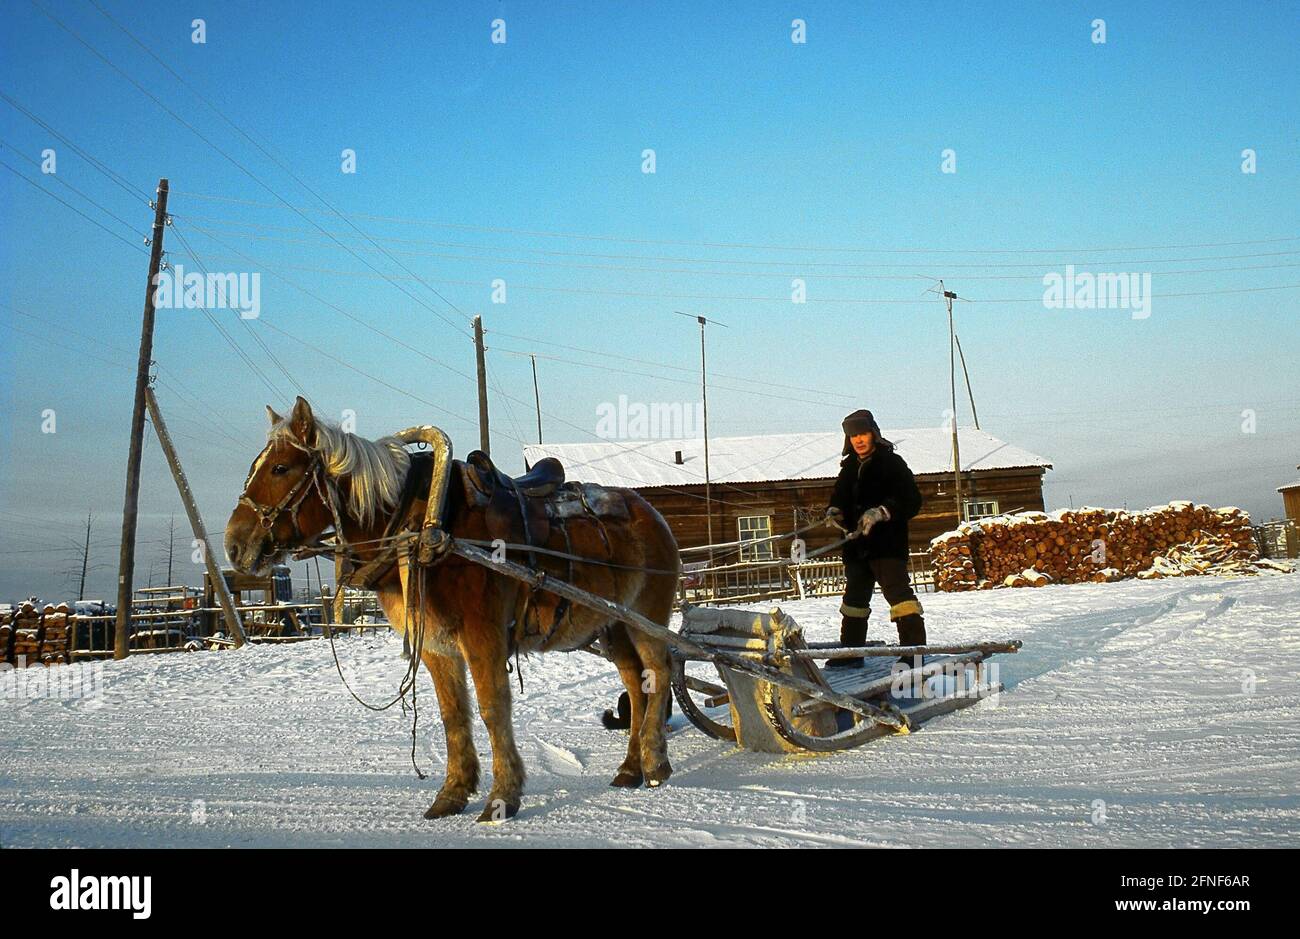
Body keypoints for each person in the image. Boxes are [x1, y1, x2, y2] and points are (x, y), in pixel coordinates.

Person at [824, 409, 926, 669]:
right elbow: (840, 498)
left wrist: (882, 511)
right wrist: (834, 511)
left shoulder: (892, 463)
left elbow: (911, 501)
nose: (858, 440)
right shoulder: (848, 468)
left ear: (874, 434)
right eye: (853, 435)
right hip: (857, 546)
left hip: (887, 544)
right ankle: (851, 653)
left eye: (863, 433)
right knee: (854, 599)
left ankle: (913, 655)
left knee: (899, 597)